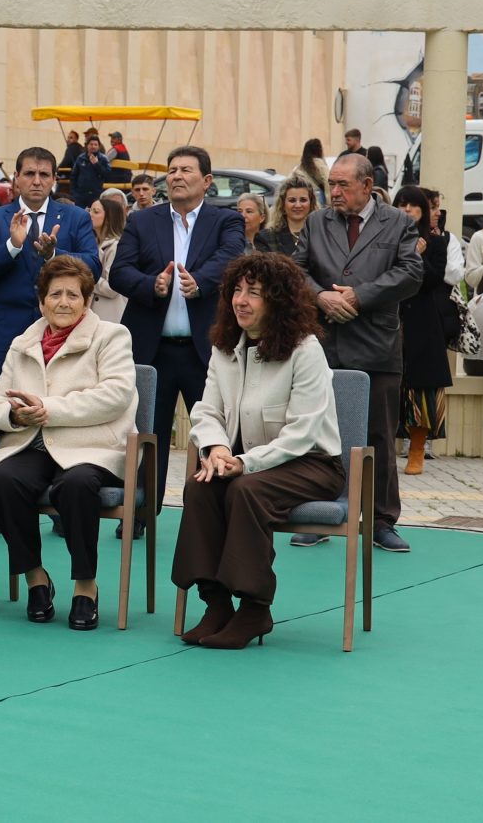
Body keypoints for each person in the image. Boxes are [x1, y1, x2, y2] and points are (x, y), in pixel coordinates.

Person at [174, 251, 344, 649]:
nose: (241, 300)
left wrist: (243, 463)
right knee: (200, 487)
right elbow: (207, 410)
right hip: (243, 461)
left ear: (279, 301)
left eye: (254, 292)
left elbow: (303, 433)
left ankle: (254, 609)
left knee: (245, 490)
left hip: (312, 464)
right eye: (237, 290)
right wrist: (216, 448)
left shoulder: (305, 350)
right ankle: (215, 603)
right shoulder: (225, 347)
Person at [0, 256, 136, 630]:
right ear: (41, 301)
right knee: (2, 481)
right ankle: (36, 579)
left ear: (87, 300)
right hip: (31, 443)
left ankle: (85, 587)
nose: (63, 302)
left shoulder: (112, 336)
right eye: (55, 294)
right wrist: (15, 416)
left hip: (90, 446)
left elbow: (115, 394)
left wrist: (47, 408)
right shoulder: (23, 342)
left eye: (73, 295)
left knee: (76, 485)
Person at [293, 152, 423, 552]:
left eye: (342, 185)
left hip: (376, 346)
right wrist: (320, 298)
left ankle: (382, 520)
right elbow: (296, 270)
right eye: (331, 184)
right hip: (323, 345)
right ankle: (318, 513)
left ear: (367, 186)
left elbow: (410, 273)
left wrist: (359, 296)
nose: (334, 192)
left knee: (378, 436)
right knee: (317, 433)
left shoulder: (398, 222)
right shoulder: (317, 222)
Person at [110, 145, 246, 509]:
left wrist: (199, 282)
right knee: (146, 434)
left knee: (214, 430)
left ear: (207, 181)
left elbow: (232, 256)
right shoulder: (142, 221)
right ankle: (140, 511)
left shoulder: (226, 221)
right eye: (171, 170)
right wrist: (149, 285)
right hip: (152, 349)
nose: (177, 176)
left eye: (186, 170)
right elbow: (119, 271)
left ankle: (216, 508)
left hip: (206, 348)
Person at [0, 147, 102, 390]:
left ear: (54, 179)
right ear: (15, 177)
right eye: (29, 174)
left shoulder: (76, 217)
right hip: (3, 335)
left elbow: (93, 267)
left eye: (44, 174)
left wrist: (54, 255)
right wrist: (11, 247)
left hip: (63, 333)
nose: (36, 181)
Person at [394, 186, 459, 475]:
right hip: (391, 320)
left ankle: (417, 449)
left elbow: (434, 281)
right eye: (402, 204)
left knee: (421, 390)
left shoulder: (436, 241)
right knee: (392, 387)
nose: (407, 209)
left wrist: (417, 256)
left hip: (422, 322)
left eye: (413, 205)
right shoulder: (384, 239)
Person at [88, 194, 130, 325]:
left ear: (109, 217)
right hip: (95, 315)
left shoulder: (116, 247)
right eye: (89, 210)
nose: (90, 214)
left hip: (110, 316)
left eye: (95, 212)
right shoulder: (94, 244)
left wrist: (86, 276)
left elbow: (113, 288)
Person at [261, 176, 318, 257]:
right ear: (283, 204)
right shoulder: (266, 237)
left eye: (303, 200)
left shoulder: (322, 234)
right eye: (292, 200)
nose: (298, 205)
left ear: (311, 203)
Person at [63, 135, 115, 208]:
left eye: (95, 144)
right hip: (80, 194)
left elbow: (107, 174)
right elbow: (74, 175)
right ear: (87, 145)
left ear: (98, 146)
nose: (93, 146)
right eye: (91, 144)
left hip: (96, 194)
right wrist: (74, 192)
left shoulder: (103, 158)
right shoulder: (81, 158)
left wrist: (97, 164)